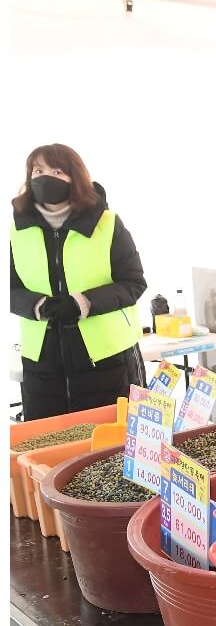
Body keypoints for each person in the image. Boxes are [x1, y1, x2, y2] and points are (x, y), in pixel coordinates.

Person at [10, 144, 147, 420]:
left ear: (75, 177)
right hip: (42, 366)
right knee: (50, 451)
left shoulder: (107, 223)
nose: (45, 177)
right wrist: (38, 306)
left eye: (56, 170)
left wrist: (82, 302)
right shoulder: (18, 231)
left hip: (107, 361)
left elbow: (133, 282)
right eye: (38, 170)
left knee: (110, 451)